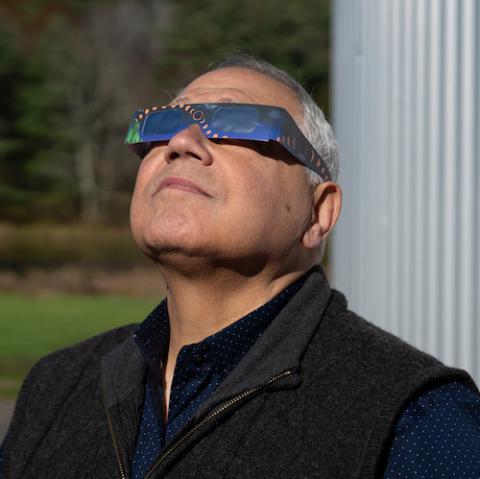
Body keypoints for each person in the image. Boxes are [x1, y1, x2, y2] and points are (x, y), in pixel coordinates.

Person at [1, 55, 479, 479]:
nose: (181, 142)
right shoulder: (56, 386)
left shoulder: (416, 416)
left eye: (233, 123)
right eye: (162, 125)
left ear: (318, 214)